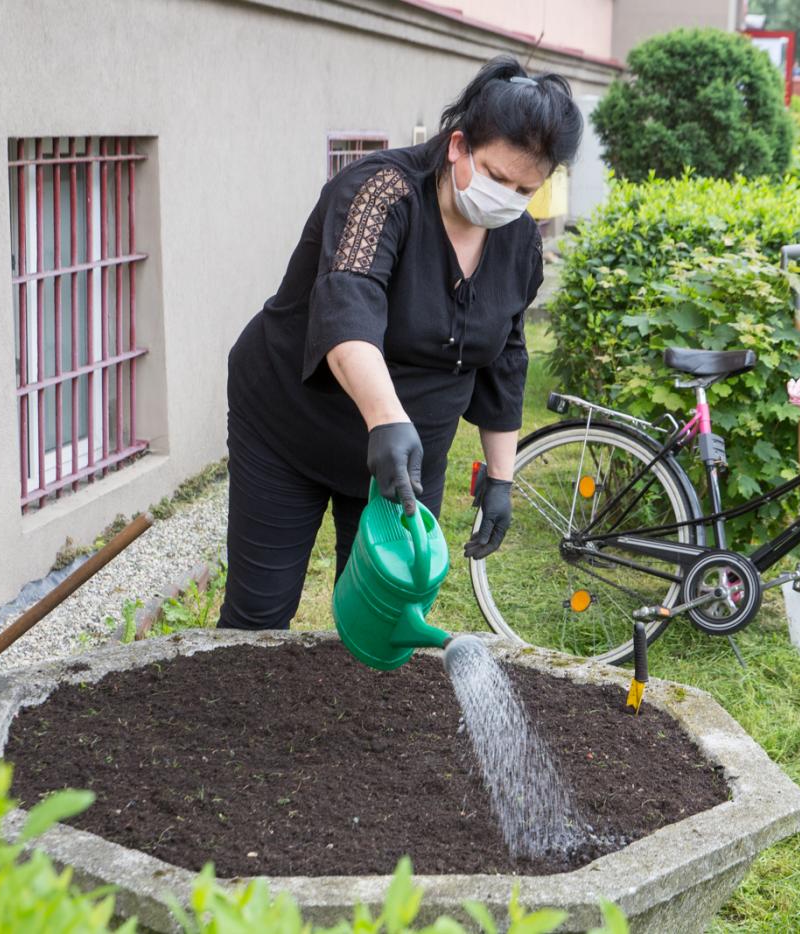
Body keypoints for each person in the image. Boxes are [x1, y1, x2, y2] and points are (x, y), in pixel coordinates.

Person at [217, 56, 583, 631]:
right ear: (458, 145)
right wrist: (386, 420)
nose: (507, 198)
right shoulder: (379, 191)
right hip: (291, 428)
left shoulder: (519, 244)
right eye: (496, 175)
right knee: (259, 613)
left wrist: (501, 477)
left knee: (384, 620)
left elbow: (506, 356)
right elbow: (348, 303)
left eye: (524, 189)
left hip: (408, 460)